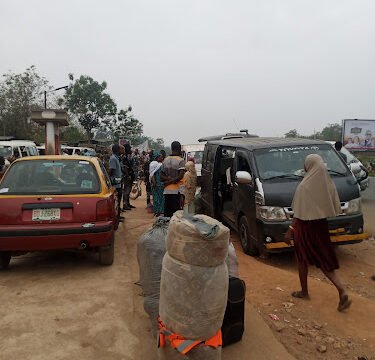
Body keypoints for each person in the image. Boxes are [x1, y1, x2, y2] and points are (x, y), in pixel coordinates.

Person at [285, 154, 351, 312]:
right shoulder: (328, 184)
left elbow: (299, 213)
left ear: (309, 165)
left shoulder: (304, 186)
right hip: (321, 227)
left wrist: (290, 230)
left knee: (302, 260)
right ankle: (342, 290)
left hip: (304, 228)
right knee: (323, 261)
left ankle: (304, 292)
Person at [161, 141, 186, 218]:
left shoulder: (165, 160)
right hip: (177, 191)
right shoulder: (181, 160)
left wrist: (168, 181)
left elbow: (161, 175)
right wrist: (171, 181)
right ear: (179, 148)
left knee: (167, 213)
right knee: (176, 214)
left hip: (167, 190)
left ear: (171, 148)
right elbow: (180, 176)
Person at [109, 144, 124, 222]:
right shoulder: (113, 158)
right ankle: (116, 217)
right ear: (118, 150)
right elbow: (111, 171)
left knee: (118, 201)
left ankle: (118, 216)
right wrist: (111, 181)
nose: (123, 150)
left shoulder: (117, 158)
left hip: (118, 182)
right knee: (116, 201)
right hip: (115, 184)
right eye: (121, 149)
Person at [149, 151, 164, 216]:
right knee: (156, 198)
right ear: (157, 157)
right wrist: (154, 183)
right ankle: (157, 211)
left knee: (161, 198)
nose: (162, 158)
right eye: (161, 157)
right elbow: (152, 174)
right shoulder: (153, 164)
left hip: (160, 184)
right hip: (156, 184)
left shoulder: (159, 164)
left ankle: (160, 211)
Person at [122, 144, 136, 211]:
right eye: (130, 149)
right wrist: (128, 176)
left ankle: (127, 203)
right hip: (127, 176)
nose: (131, 150)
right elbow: (125, 167)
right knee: (126, 190)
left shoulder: (128, 156)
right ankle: (125, 204)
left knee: (128, 190)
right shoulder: (124, 157)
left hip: (129, 175)